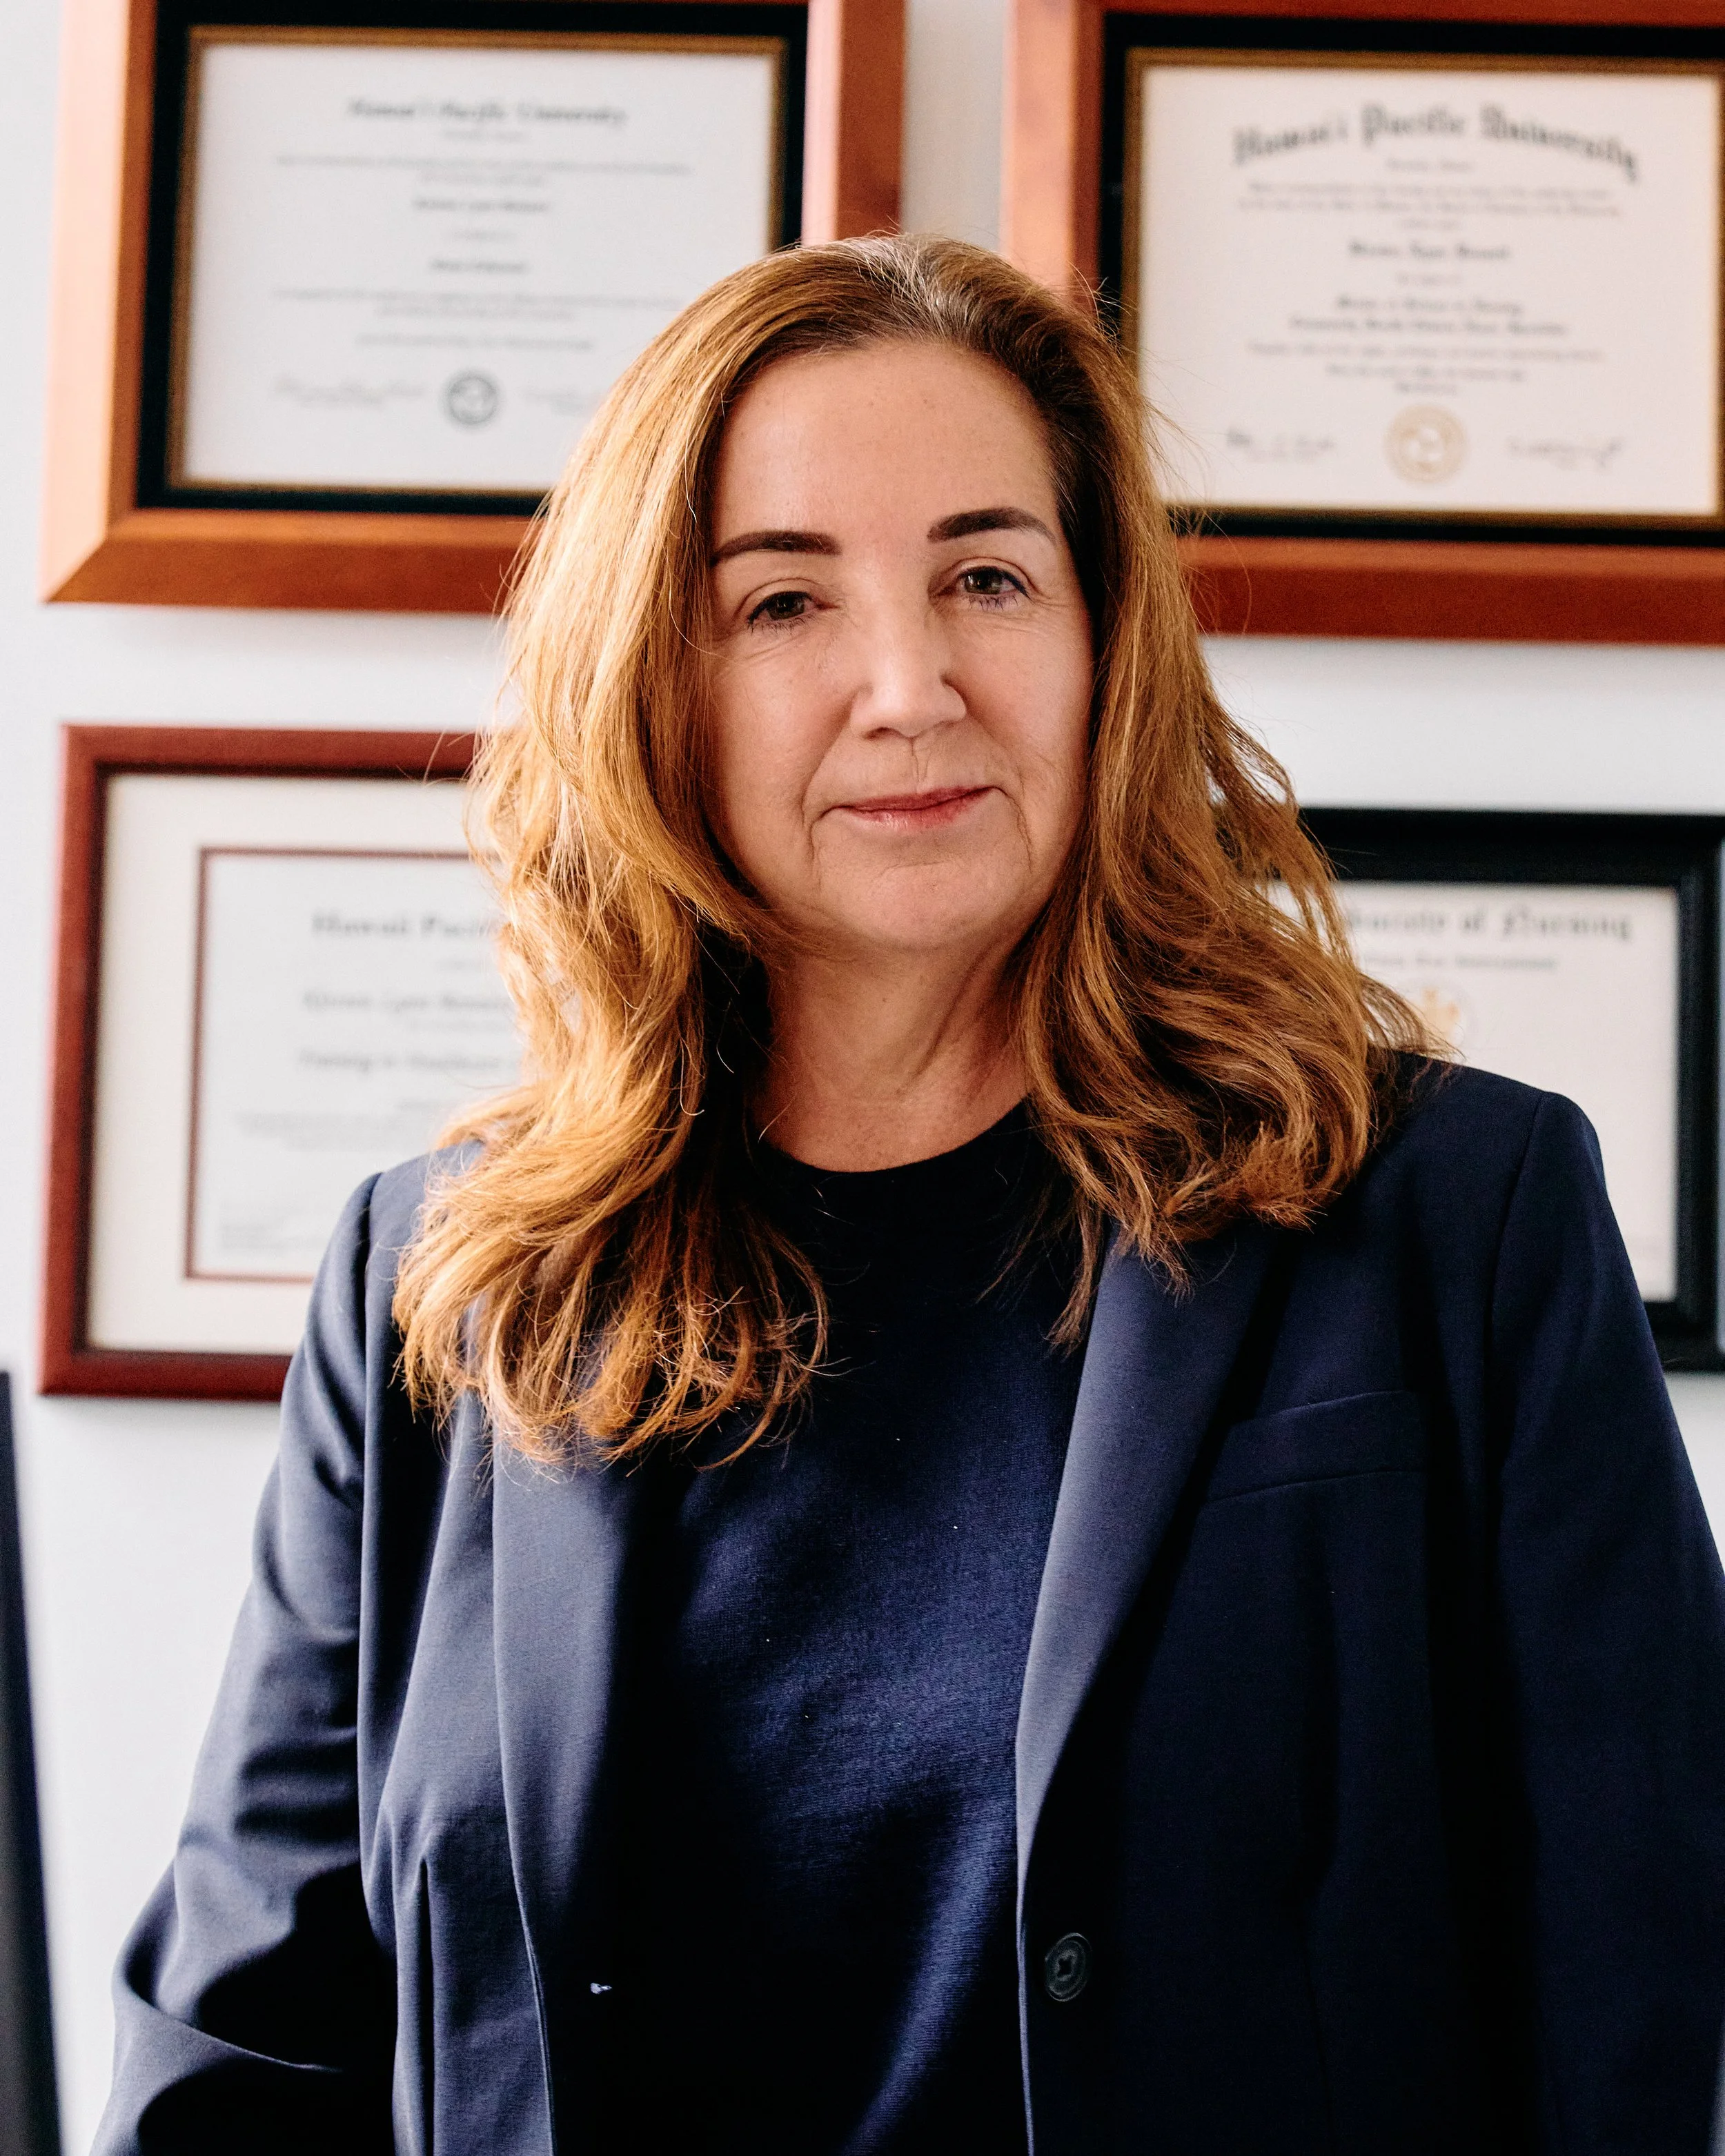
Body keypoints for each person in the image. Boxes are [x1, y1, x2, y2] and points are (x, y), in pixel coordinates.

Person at [97, 235, 1725, 2156]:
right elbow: (243, 2041)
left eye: (985, 576)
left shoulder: (1454, 1213)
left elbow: (1642, 1989)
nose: (908, 684)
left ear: (1104, 636)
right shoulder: (446, 1276)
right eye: (782, 600)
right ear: (653, 682)